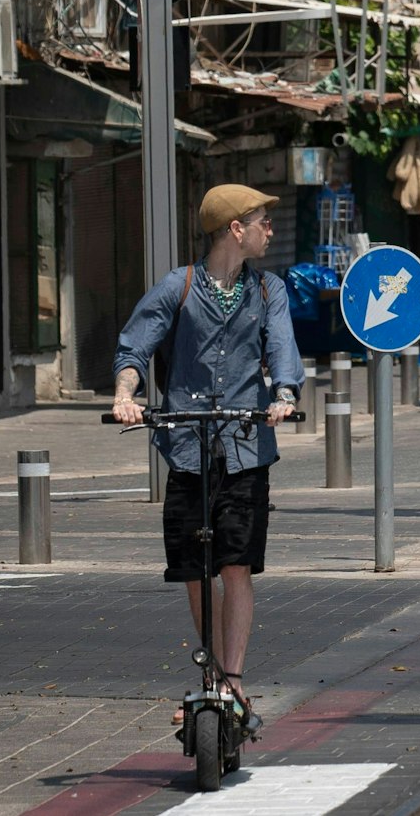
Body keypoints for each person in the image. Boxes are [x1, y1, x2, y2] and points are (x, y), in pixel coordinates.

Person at [112, 185, 303, 723]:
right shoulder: (181, 285)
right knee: (196, 570)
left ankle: (233, 681)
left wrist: (284, 397)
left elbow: (282, 350)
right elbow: (134, 346)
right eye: (263, 220)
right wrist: (126, 395)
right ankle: (212, 676)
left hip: (245, 447)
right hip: (188, 449)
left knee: (236, 566)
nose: (270, 228)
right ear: (235, 229)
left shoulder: (268, 290)